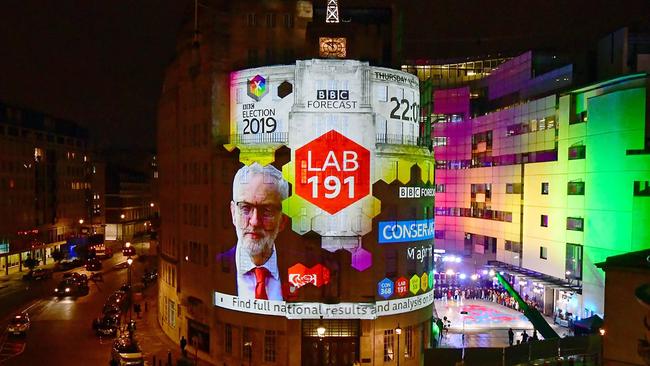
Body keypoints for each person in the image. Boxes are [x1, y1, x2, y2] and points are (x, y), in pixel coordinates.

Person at [222, 163, 289, 300]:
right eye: (245, 208)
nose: (254, 221)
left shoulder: (301, 272)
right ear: (233, 213)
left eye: (267, 210)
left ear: (283, 220)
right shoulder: (213, 268)